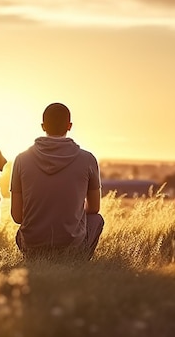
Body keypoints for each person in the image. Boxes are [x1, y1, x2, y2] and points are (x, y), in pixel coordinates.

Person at [10, 102, 104, 260]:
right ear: (69, 126)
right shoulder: (88, 159)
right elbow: (94, 208)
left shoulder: (21, 159)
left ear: (43, 126)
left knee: (22, 231)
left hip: (32, 245)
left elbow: (17, 217)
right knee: (96, 220)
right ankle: (79, 262)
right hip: (73, 244)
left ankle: (36, 259)